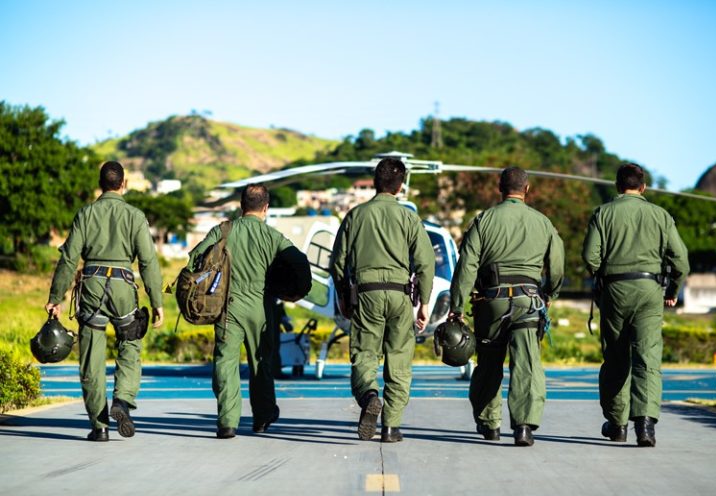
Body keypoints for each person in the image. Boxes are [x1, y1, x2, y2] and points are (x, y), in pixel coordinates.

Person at [45, 161, 164, 442]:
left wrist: (55, 297)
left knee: (91, 359)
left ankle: (99, 427)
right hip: (123, 286)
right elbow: (148, 261)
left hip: (92, 286)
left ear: (101, 184)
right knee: (130, 342)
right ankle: (122, 399)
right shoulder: (135, 216)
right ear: (123, 184)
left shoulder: (85, 214)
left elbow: (69, 258)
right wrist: (157, 300)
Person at [448, 167, 564, 446]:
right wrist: (550, 293)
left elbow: (467, 265)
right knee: (527, 364)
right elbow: (557, 266)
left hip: (492, 302)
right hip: (529, 301)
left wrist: (457, 306)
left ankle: (490, 425)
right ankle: (523, 426)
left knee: (488, 363)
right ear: (527, 190)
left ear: (499, 188)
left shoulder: (483, 221)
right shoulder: (543, 222)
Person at [187, 184, 308, 439]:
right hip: (261, 308)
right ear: (266, 207)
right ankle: (262, 416)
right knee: (261, 363)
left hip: (227, 307)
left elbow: (195, 259)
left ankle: (227, 422)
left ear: (241, 205)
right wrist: (294, 290)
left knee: (225, 362)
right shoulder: (273, 237)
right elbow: (298, 261)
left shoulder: (222, 231)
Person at [582, 163, 689, 447]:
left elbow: (590, 257)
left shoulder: (603, 213)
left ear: (618, 186)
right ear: (643, 187)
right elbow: (681, 261)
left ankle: (617, 425)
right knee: (648, 358)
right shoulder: (661, 216)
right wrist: (673, 290)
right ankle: (645, 426)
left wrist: (605, 276)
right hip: (650, 290)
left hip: (615, 291)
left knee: (616, 358)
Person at [330, 157, 435, 443]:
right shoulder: (409, 217)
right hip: (401, 296)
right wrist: (424, 303)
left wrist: (342, 295)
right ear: (401, 187)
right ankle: (391, 427)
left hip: (366, 294)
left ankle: (369, 396)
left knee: (365, 354)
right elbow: (426, 262)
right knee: (399, 360)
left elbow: (338, 262)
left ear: (375, 183)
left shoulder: (355, 215)